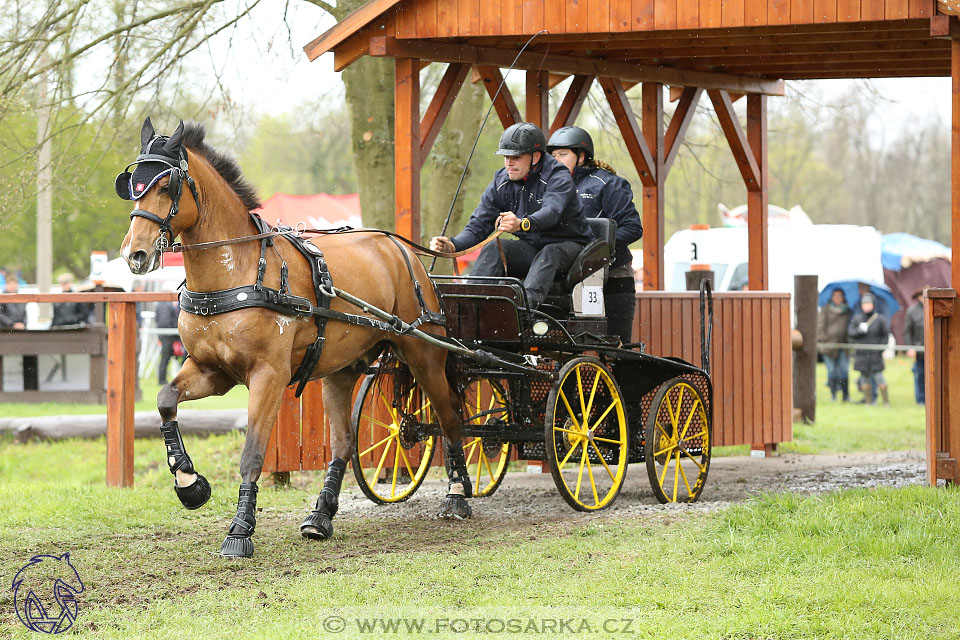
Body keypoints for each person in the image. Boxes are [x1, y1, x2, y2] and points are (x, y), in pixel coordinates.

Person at [429, 122, 594, 309]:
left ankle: (522, 309)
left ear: (535, 157)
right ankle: (470, 307)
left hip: (572, 249)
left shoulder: (558, 175)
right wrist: (453, 245)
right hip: (532, 248)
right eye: (506, 157)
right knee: (495, 248)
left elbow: (551, 212)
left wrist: (522, 224)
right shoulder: (501, 180)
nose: (509, 163)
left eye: (515, 157)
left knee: (549, 253)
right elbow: (479, 225)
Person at [547, 126, 643, 343]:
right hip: (566, 280)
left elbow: (632, 228)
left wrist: (592, 248)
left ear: (581, 156)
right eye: (552, 156)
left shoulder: (609, 184)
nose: (556, 160)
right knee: (564, 346)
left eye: (563, 154)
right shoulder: (549, 187)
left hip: (613, 278)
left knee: (616, 346)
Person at [848, 292, 890, 405]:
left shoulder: (880, 319)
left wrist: (880, 349)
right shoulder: (857, 318)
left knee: (879, 377)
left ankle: (886, 402)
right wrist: (859, 331)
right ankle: (868, 401)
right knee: (864, 378)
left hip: (875, 354)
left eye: (868, 303)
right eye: (864, 304)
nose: (866, 306)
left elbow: (885, 336)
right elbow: (851, 333)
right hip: (862, 353)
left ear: (873, 305)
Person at [817, 288, 852, 401]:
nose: (837, 298)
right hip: (829, 347)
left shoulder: (847, 311)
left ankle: (845, 396)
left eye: (840, 296)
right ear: (832, 297)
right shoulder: (826, 309)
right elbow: (820, 327)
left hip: (843, 346)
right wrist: (825, 340)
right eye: (835, 296)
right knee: (832, 371)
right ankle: (833, 396)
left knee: (844, 370)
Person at [903, 288, 926, 404]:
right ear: (918, 297)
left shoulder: (935, 308)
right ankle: (921, 400)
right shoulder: (912, 311)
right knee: (919, 375)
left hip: (934, 350)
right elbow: (907, 331)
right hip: (918, 350)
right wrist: (910, 347)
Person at [155, 299, 182, 385]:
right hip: (168, 334)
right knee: (166, 356)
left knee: (166, 356)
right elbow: (166, 321)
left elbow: (158, 319)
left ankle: (162, 378)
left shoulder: (160, 305)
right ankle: (162, 379)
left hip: (164, 333)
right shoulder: (167, 306)